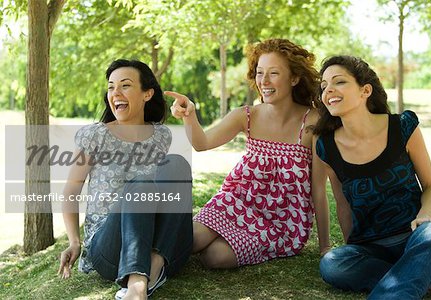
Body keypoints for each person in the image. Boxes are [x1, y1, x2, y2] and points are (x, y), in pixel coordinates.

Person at [166, 38, 331, 269]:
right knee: (191, 239)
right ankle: (138, 265)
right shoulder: (246, 115)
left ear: (294, 78)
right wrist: (188, 116)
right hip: (234, 202)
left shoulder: (313, 122)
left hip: (279, 223)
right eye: (260, 72)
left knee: (215, 258)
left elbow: (319, 188)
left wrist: (325, 247)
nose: (264, 81)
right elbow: (201, 143)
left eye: (273, 73)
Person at [313, 55, 431, 299]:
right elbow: (343, 206)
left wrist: (425, 216)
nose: (329, 90)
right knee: (332, 263)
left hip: (419, 238)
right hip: (372, 248)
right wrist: (351, 249)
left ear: (365, 90)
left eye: (339, 82)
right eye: (324, 86)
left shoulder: (403, 126)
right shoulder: (326, 147)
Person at [58, 59, 193, 300]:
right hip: (110, 249)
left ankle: (153, 266)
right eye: (111, 87)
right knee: (140, 185)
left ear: (147, 94)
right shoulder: (95, 135)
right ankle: (137, 284)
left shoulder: (161, 136)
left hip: (154, 241)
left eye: (125, 85)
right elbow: (72, 189)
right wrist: (74, 241)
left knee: (177, 164)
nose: (115, 93)